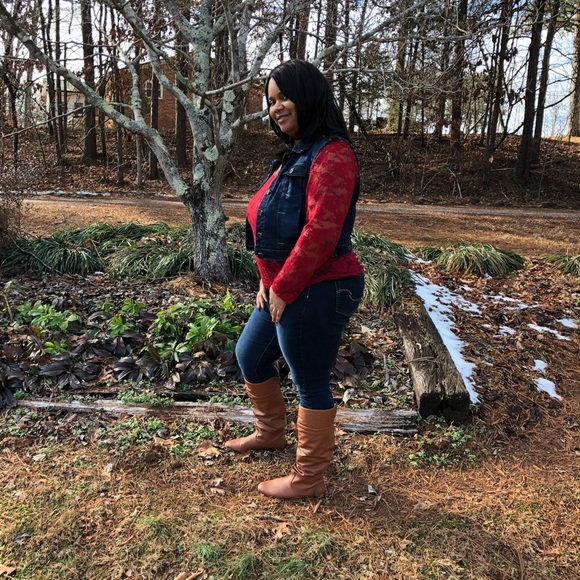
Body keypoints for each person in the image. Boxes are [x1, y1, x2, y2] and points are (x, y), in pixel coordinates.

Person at [225, 59, 365, 499]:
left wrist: (283, 287)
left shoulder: (333, 154)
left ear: (308, 96)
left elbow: (321, 231)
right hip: (285, 286)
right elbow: (271, 225)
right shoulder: (296, 154)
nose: (276, 107)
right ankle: (270, 433)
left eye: (284, 97)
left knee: (309, 380)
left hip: (321, 285)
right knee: (250, 354)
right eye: (271, 101)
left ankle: (308, 478)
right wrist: (267, 281)